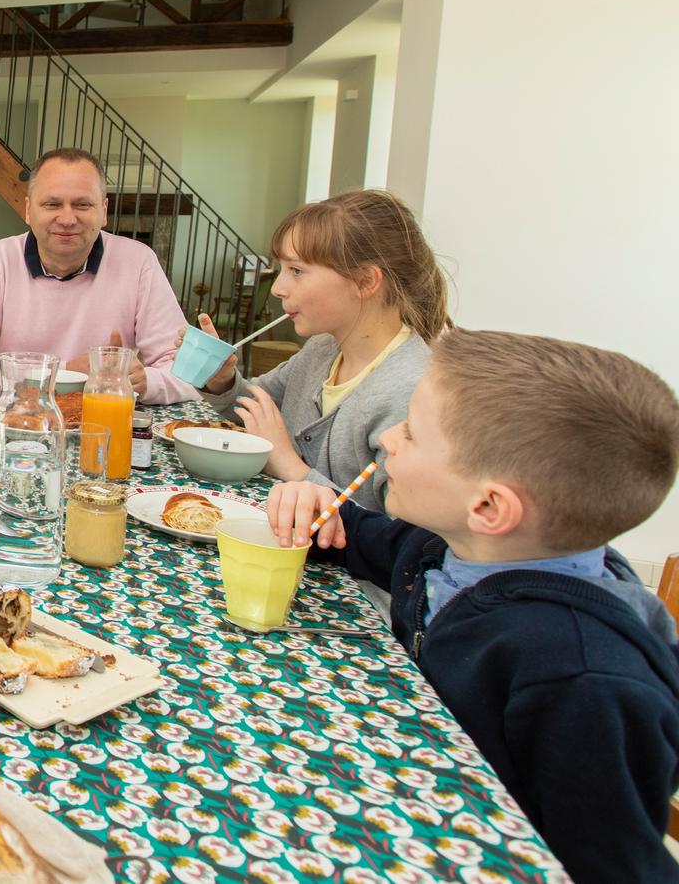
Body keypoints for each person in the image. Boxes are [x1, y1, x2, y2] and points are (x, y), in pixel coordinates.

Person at [264, 329, 679, 884]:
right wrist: (314, 505)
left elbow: (615, 864)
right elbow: (356, 539)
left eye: (410, 433)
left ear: (487, 505)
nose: (388, 437)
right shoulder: (450, 545)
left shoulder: (584, 679)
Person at [187, 190, 446, 512]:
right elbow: (253, 412)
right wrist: (222, 380)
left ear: (365, 281)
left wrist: (289, 466)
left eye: (296, 271)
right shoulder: (322, 348)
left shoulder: (409, 391)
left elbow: (395, 538)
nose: (279, 289)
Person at [0, 147, 195, 402]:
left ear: (103, 211)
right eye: (52, 204)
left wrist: (146, 381)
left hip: (102, 421)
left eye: (82, 204)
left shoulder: (139, 263)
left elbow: (186, 372)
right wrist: (59, 372)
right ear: (28, 210)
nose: (67, 218)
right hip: (18, 415)